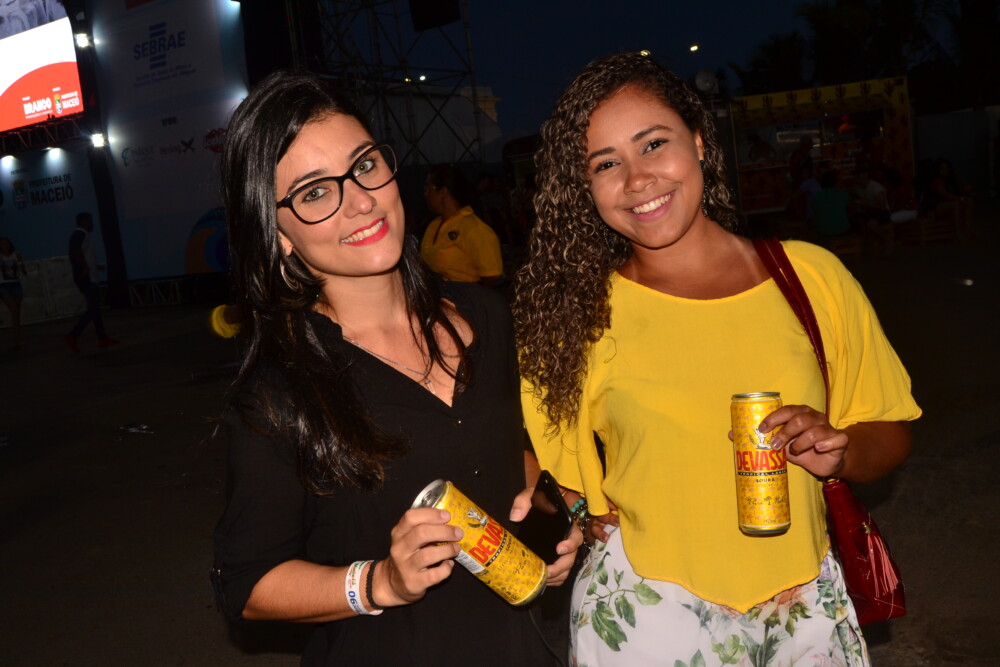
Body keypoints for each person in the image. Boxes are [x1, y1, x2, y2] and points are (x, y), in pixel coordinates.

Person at [513, 52, 920, 666]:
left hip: (802, 613)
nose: (638, 179)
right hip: (647, 618)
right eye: (606, 163)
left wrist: (842, 450)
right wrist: (575, 508)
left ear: (699, 142)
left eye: (654, 144)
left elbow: (889, 430)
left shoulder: (811, 279)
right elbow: (545, 471)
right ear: (585, 187)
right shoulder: (576, 318)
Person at [211, 70, 578, 666]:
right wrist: (378, 582)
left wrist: (552, 518)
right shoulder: (280, 393)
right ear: (278, 235)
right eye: (314, 193)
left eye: (364, 165)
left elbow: (509, 449)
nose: (360, 200)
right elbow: (246, 583)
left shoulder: (486, 317)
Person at [420, 164, 504, 285]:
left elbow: (492, 277)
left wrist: (464, 292)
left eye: (428, 188)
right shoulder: (433, 226)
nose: (425, 194)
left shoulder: (473, 228)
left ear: (443, 192)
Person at [65, 212, 118, 352]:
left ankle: (102, 337)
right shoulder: (80, 234)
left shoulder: (82, 235)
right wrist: (85, 268)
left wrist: (95, 266)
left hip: (88, 276)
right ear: (84, 222)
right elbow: (76, 252)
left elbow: (83, 254)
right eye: (90, 221)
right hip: (87, 278)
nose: (92, 224)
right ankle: (73, 335)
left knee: (95, 308)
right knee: (93, 309)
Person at [0, 236, 27, 348]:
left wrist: (21, 264)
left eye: (6, 243)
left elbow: (23, 271)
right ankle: (17, 340)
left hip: (16, 284)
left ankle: (17, 339)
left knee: (16, 313)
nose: (5, 246)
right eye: (2, 244)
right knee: (14, 310)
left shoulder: (16, 255)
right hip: (3, 285)